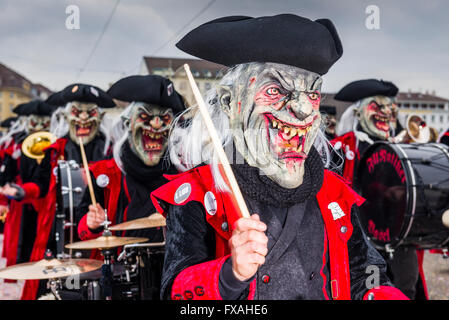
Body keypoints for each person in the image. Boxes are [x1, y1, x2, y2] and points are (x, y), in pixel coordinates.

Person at [150, 14, 407, 300]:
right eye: (275, 90)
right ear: (229, 103)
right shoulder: (201, 193)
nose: (303, 109)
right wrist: (229, 275)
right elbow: (176, 292)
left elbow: (366, 274)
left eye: (312, 93)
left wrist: (383, 295)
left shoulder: (333, 193)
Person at [0, 83, 116, 300]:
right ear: (67, 116)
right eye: (76, 112)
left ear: (98, 117)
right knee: (56, 288)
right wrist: (22, 191)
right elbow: (41, 184)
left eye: (90, 113)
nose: (83, 118)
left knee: (92, 287)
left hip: (97, 232)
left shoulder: (109, 149)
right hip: (58, 231)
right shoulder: (54, 150)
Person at [75, 75, 186, 299]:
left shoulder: (185, 175)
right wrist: (91, 223)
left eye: (165, 119)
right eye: (146, 117)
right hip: (122, 277)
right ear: (128, 124)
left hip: (173, 278)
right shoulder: (106, 174)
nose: (156, 125)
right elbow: (82, 232)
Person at [0, 101, 54, 273]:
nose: (39, 126)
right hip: (21, 197)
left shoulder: (53, 143)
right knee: (21, 237)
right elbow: (7, 169)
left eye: (44, 122)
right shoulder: (17, 142)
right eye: (35, 122)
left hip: (45, 200)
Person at [330, 79, 401, 186]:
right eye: (378, 106)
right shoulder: (341, 147)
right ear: (358, 114)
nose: (388, 111)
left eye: (389, 106)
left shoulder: (393, 145)